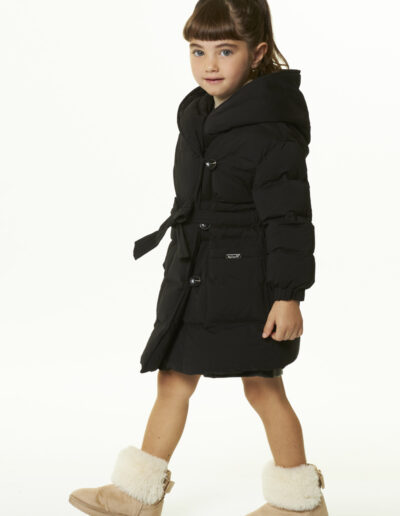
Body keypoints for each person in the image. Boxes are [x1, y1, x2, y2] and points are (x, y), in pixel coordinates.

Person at [68, 1, 329, 515]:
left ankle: (300, 505)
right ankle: (137, 496)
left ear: (257, 53)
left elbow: (289, 220)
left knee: (264, 387)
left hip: (247, 282)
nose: (209, 64)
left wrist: (288, 296)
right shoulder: (197, 113)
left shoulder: (272, 131)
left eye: (225, 51)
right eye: (197, 50)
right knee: (173, 377)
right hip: (193, 272)